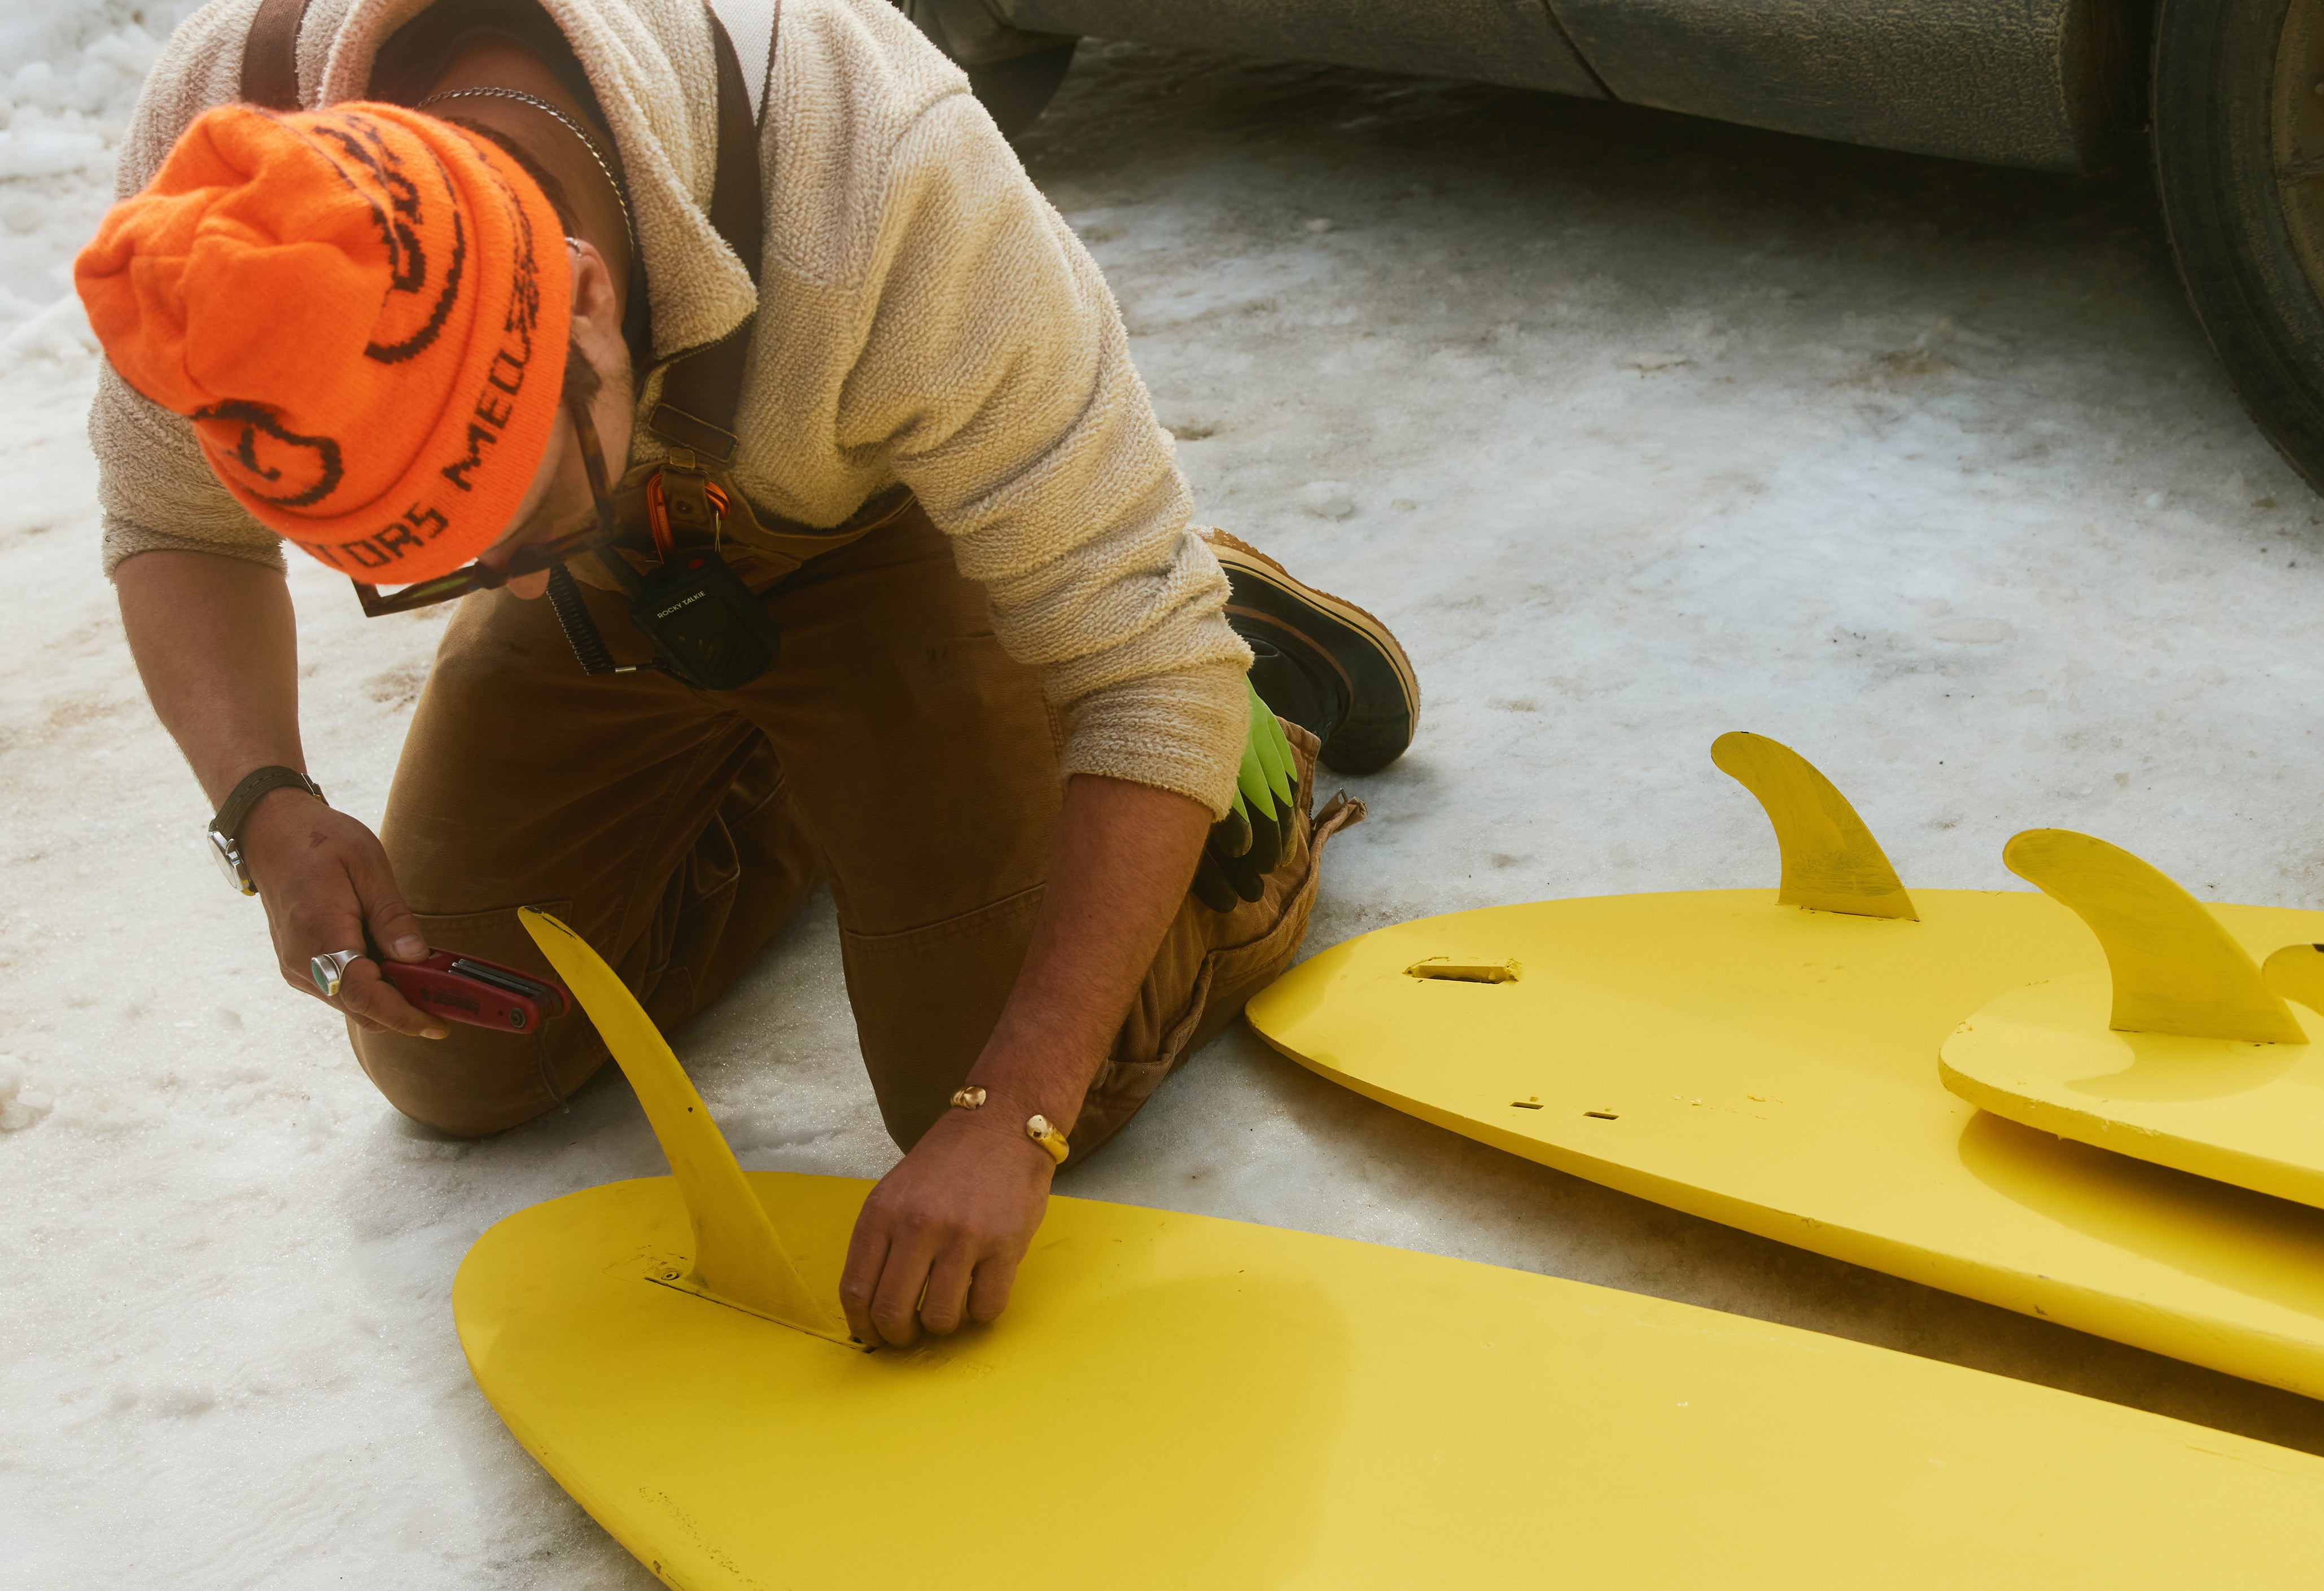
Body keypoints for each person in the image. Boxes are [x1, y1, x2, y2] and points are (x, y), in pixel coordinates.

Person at [76, 0, 1418, 1351]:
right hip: (647, 552)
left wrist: (1014, 1112)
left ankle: (1231, 688)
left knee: (997, 1075)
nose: (520, 595)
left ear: (588, 297)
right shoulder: (237, 202)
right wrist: (266, 800)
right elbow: (171, 524)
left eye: (521, 524)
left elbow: (1148, 682)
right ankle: (808, 753)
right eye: (449, 561)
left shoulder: (883, 178)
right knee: (471, 1049)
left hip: (903, 529)